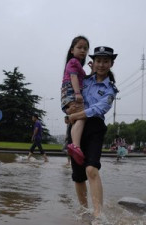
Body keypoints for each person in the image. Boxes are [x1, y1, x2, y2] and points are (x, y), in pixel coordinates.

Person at [67, 46, 118, 219]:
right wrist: (69, 111)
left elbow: (98, 109)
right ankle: (84, 211)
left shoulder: (111, 90)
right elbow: (69, 94)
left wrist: (75, 115)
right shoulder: (84, 81)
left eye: (106, 61)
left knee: (91, 169)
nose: (102, 64)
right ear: (93, 62)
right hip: (75, 129)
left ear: (111, 64)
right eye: (98, 60)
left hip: (95, 128)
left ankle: (98, 213)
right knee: (78, 175)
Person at [61, 36, 90, 166]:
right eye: (79, 47)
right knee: (82, 117)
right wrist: (77, 93)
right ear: (72, 50)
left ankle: (73, 145)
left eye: (85, 48)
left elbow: (83, 78)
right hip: (72, 94)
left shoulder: (77, 64)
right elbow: (73, 77)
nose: (83, 50)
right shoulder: (73, 61)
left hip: (69, 95)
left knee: (78, 118)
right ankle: (75, 146)